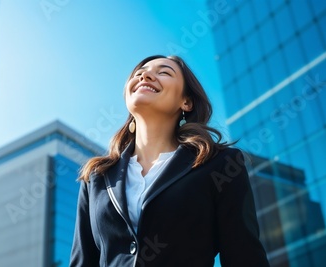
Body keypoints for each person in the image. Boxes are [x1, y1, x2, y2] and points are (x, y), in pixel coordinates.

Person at [70, 55, 270, 267]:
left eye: (163, 72)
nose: (144, 75)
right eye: (139, 73)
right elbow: (82, 262)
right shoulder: (96, 177)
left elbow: (244, 256)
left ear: (186, 101)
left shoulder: (220, 164)